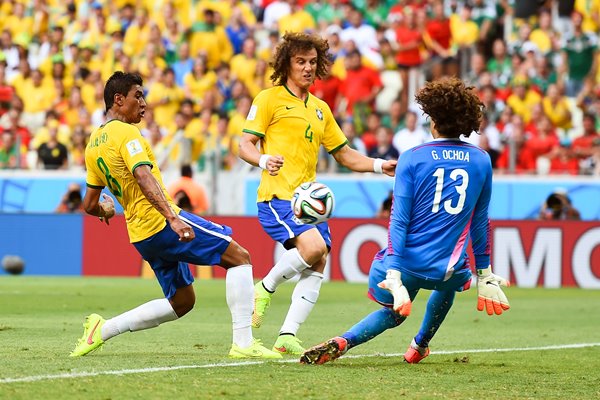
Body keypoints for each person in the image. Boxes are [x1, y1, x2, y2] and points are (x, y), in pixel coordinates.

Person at [69, 71, 280, 359]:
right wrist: (172, 217)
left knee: (182, 301)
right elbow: (143, 175)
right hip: (160, 222)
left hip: (141, 235)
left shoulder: (93, 143)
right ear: (118, 99)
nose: (144, 103)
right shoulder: (126, 132)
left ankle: (103, 330)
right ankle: (243, 343)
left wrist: (106, 208)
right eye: (138, 96)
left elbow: (90, 203)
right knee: (239, 257)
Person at [300, 77, 510, 365]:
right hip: (446, 267)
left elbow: (399, 219)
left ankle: (345, 340)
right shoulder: (481, 160)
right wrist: (484, 271)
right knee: (449, 284)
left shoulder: (412, 158)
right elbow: (480, 221)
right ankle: (420, 345)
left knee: (393, 314)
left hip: (407, 263)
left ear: (432, 119)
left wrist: (394, 271)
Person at [239, 32, 396, 356]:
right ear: (287, 64)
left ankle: (286, 335)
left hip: (308, 205)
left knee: (319, 258)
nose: (308, 68)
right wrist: (263, 159)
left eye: (313, 62)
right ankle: (264, 288)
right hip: (278, 196)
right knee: (312, 248)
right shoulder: (268, 99)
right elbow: (243, 145)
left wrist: (381, 166)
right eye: (301, 62)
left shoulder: (321, 109)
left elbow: (345, 153)